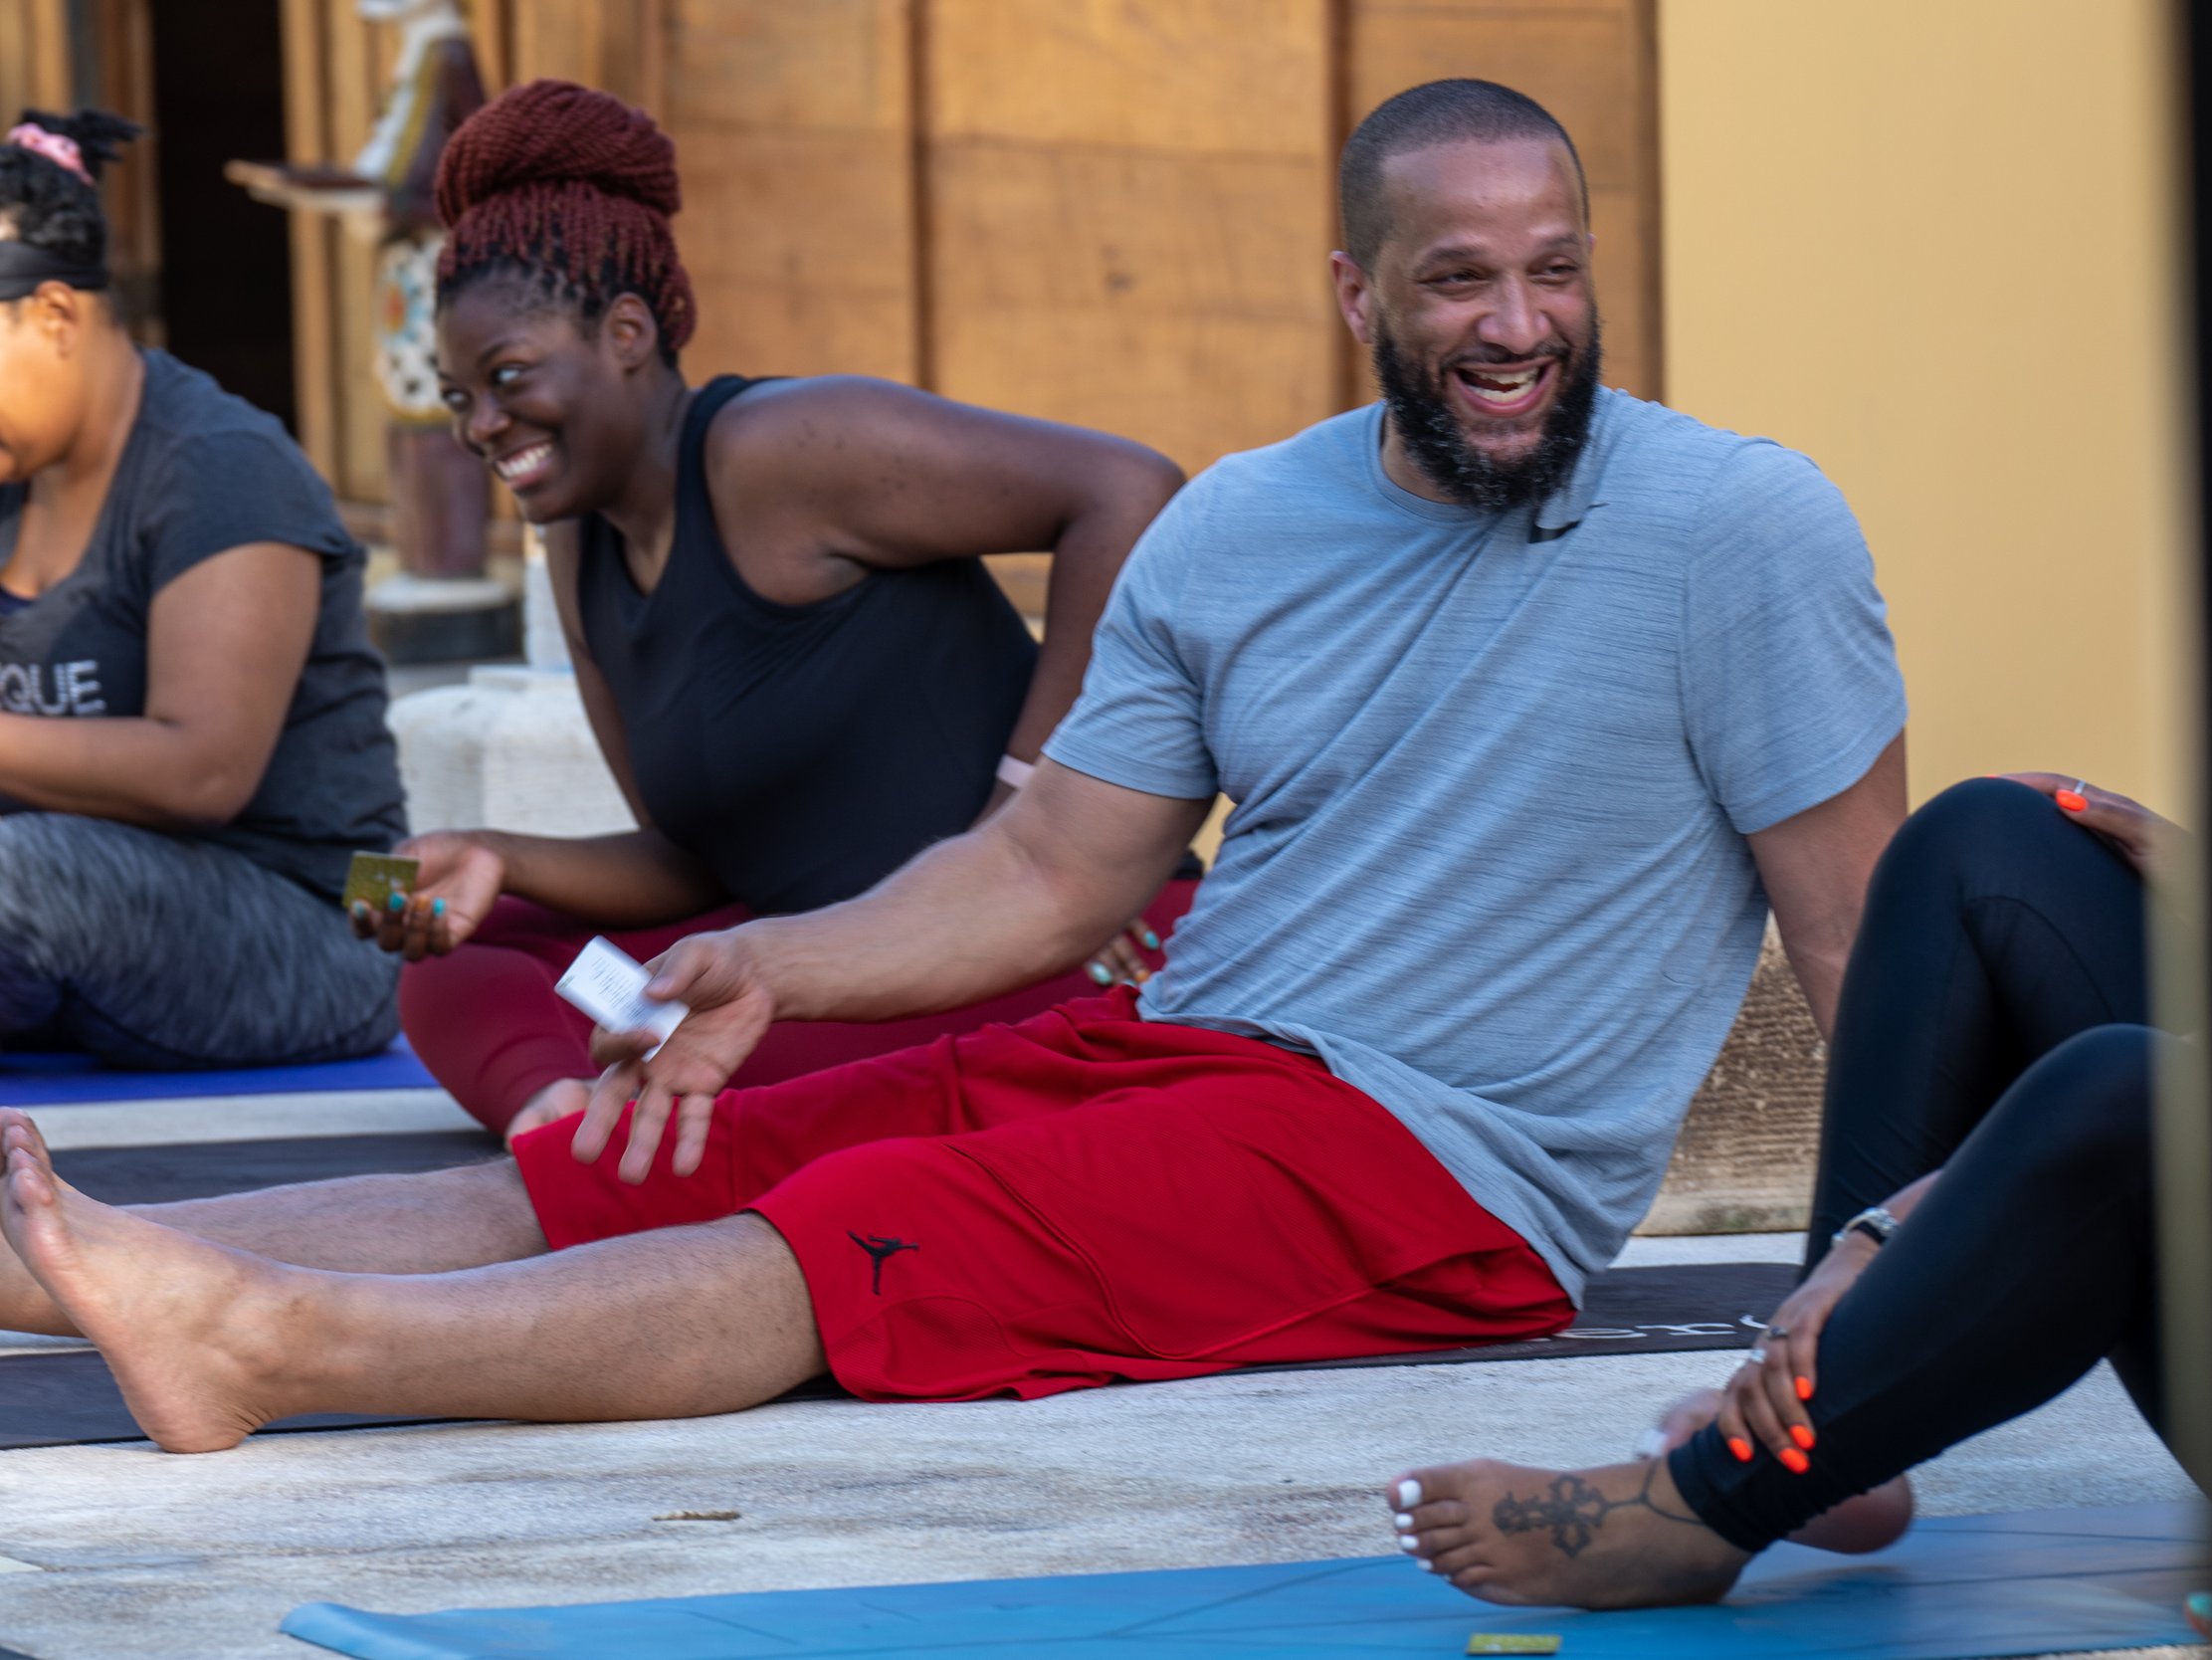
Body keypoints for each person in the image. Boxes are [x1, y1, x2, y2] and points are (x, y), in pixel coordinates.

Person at [0, 80, 1906, 1457]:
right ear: (1358, 290)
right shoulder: (1245, 524)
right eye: (1458, 281)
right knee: (638, 1143)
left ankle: (261, 1342)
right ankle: (46, 1263)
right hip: (1188, 1044)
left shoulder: (1741, 529)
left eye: (1554, 275)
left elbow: (1865, 950)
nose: (1516, 328)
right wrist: (778, 961)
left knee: (841, 1241)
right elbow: (1052, 871)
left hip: (1439, 1166)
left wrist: (1882, 1293)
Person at [1385, 256, 2212, 1651]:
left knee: (2132, 1091)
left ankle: (1710, 1495)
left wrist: (1878, 1237)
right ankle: (1831, 1415)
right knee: (1995, 848)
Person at [349, 81, 1196, 1139]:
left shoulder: (777, 450)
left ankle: (624, 1128)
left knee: (711, 1053)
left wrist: (1030, 825)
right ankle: (562, 1125)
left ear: (625, 331)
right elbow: (695, 858)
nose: (483, 425)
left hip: (1033, 948)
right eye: (458, 395)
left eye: (509, 376)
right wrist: (493, 855)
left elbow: (1128, 490)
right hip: (806, 952)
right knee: (464, 961)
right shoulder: (577, 541)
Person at [0, 110, 405, 1069]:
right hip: (88, 934)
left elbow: (203, 773)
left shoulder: (221, 468)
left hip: (309, 930)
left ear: (53, 316)